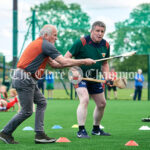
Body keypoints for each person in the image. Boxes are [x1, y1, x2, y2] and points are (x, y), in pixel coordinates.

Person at [0, 24, 95, 144]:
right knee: (27, 111)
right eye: (55, 35)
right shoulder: (45, 44)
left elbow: (56, 64)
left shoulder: (40, 44)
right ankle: (6, 132)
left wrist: (77, 64)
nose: (56, 38)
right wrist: (84, 61)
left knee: (41, 102)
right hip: (25, 78)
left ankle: (40, 135)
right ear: (46, 35)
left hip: (26, 78)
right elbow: (63, 61)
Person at [65, 21, 111, 138]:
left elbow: (104, 64)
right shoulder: (81, 42)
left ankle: (96, 129)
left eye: (102, 31)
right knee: (85, 99)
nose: (100, 34)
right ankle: (81, 130)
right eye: (97, 31)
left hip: (94, 77)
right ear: (91, 31)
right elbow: (66, 58)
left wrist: (107, 77)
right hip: (79, 76)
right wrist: (73, 69)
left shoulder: (106, 45)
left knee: (102, 104)